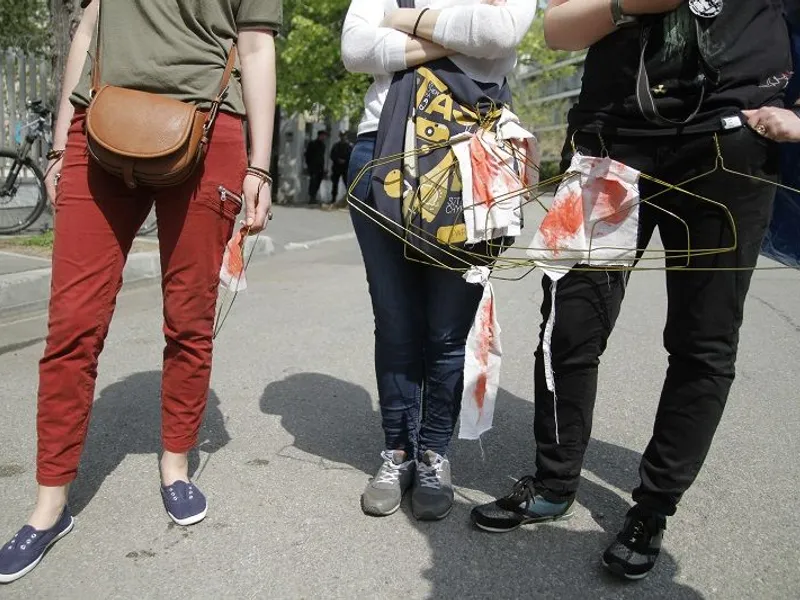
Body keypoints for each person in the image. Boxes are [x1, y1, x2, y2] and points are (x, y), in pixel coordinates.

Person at [471, 0, 794, 580]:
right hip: (611, 142)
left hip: (728, 144)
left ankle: (652, 508)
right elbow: (556, 28)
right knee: (568, 323)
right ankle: (554, 479)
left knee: (702, 341)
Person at [0, 0, 279, 584]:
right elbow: (88, 26)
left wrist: (260, 166)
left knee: (189, 319)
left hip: (210, 131)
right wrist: (57, 144)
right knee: (72, 325)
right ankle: (49, 506)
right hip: (97, 122)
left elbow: (254, 46)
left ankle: (175, 467)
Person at [341, 0, 536, 521]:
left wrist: (402, 21)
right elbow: (356, 49)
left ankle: (433, 453)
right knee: (396, 322)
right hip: (380, 152)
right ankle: (397, 451)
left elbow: (500, 32)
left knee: (448, 331)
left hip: (473, 155)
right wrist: (459, 36)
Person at [305, 129, 329, 205]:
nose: (324, 137)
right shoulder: (312, 144)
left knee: (318, 182)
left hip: (320, 167)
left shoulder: (323, 145)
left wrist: (324, 167)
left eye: (325, 136)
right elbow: (307, 155)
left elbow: (322, 157)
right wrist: (309, 165)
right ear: (319, 135)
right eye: (323, 136)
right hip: (313, 167)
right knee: (313, 182)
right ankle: (311, 197)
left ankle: (314, 197)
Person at [330, 131, 353, 207]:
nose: (343, 137)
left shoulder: (350, 146)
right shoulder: (336, 145)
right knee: (335, 184)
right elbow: (332, 155)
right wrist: (337, 160)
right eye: (342, 136)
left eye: (344, 136)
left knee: (347, 184)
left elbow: (351, 156)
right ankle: (333, 198)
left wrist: (345, 161)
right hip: (337, 167)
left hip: (345, 168)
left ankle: (349, 200)